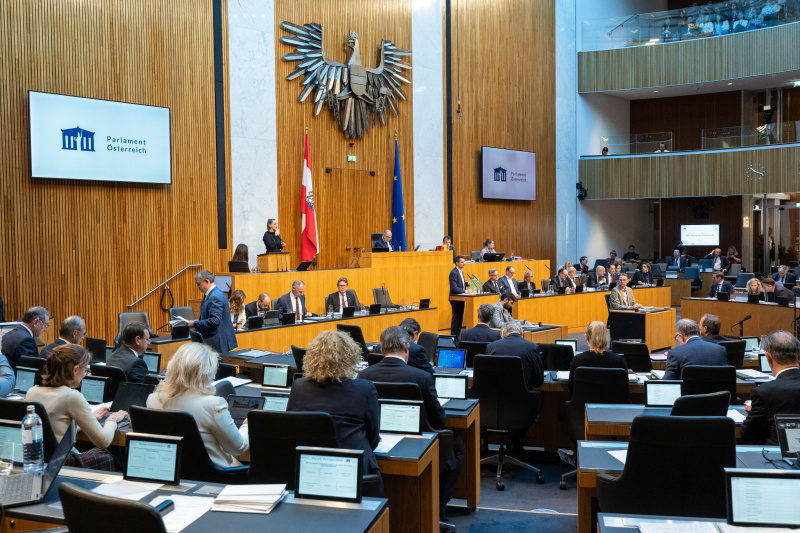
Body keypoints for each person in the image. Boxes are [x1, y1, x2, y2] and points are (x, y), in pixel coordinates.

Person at [358, 326, 463, 526]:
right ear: (407, 348)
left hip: (375, 445)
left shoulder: (363, 376)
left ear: (382, 349)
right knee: (457, 444)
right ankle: (440, 509)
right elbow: (439, 421)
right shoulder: (421, 377)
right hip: (418, 445)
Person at [288, 331, 381, 481]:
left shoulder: (299, 387)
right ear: (350, 357)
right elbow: (373, 438)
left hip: (309, 470)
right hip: (353, 471)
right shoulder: (364, 389)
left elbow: (292, 430)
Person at [147, 343, 249, 467]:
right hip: (214, 474)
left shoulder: (152, 400)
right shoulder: (213, 405)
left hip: (170, 469)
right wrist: (246, 426)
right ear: (206, 373)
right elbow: (238, 448)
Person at [27, 344, 127, 467]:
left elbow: (55, 429)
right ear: (75, 370)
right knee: (112, 455)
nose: (85, 375)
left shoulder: (31, 392)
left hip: (41, 460)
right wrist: (112, 420)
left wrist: (90, 418)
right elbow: (103, 441)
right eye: (85, 370)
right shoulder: (71, 396)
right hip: (64, 461)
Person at [741, 331, 800, 445]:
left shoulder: (764, 392)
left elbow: (748, 434)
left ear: (768, 357)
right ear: (799, 355)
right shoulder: (765, 392)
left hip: (777, 453)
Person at [568, 321, 628, 395]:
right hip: (612, 402)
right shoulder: (619, 361)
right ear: (607, 337)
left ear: (587, 337)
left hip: (583, 402)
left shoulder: (578, 360)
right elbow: (625, 390)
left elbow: (571, 387)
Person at [187, 270, 237, 353]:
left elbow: (214, 321)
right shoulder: (216, 293)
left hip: (216, 341)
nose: (198, 287)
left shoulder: (215, 296)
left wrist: (195, 324)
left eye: (199, 284)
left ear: (207, 281)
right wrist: (199, 321)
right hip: (217, 339)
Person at [486, 322, 544, 391]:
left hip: (496, 395)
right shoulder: (532, 347)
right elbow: (538, 382)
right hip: (523, 395)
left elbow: (487, 377)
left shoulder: (491, 347)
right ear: (521, 331)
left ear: (502, 335)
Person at [2, 306, 49, 371]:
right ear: (36, 322)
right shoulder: (26, 340)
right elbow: (31, 370)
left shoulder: (9, 334)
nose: (45, 329)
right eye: (45, 324)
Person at [449, 256, 472, 337]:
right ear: (457, 263)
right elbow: (454, 288)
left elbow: (461, 284)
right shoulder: (453, 273)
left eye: (464, 262)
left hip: (461, 298)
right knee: (456, 319)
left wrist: (468, 283)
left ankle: (457, 336)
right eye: (462, 262)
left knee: (460, 319)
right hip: (455, 299)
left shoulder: (460, 271)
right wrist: (466, 291)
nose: (464, 264)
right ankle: (453, 337)